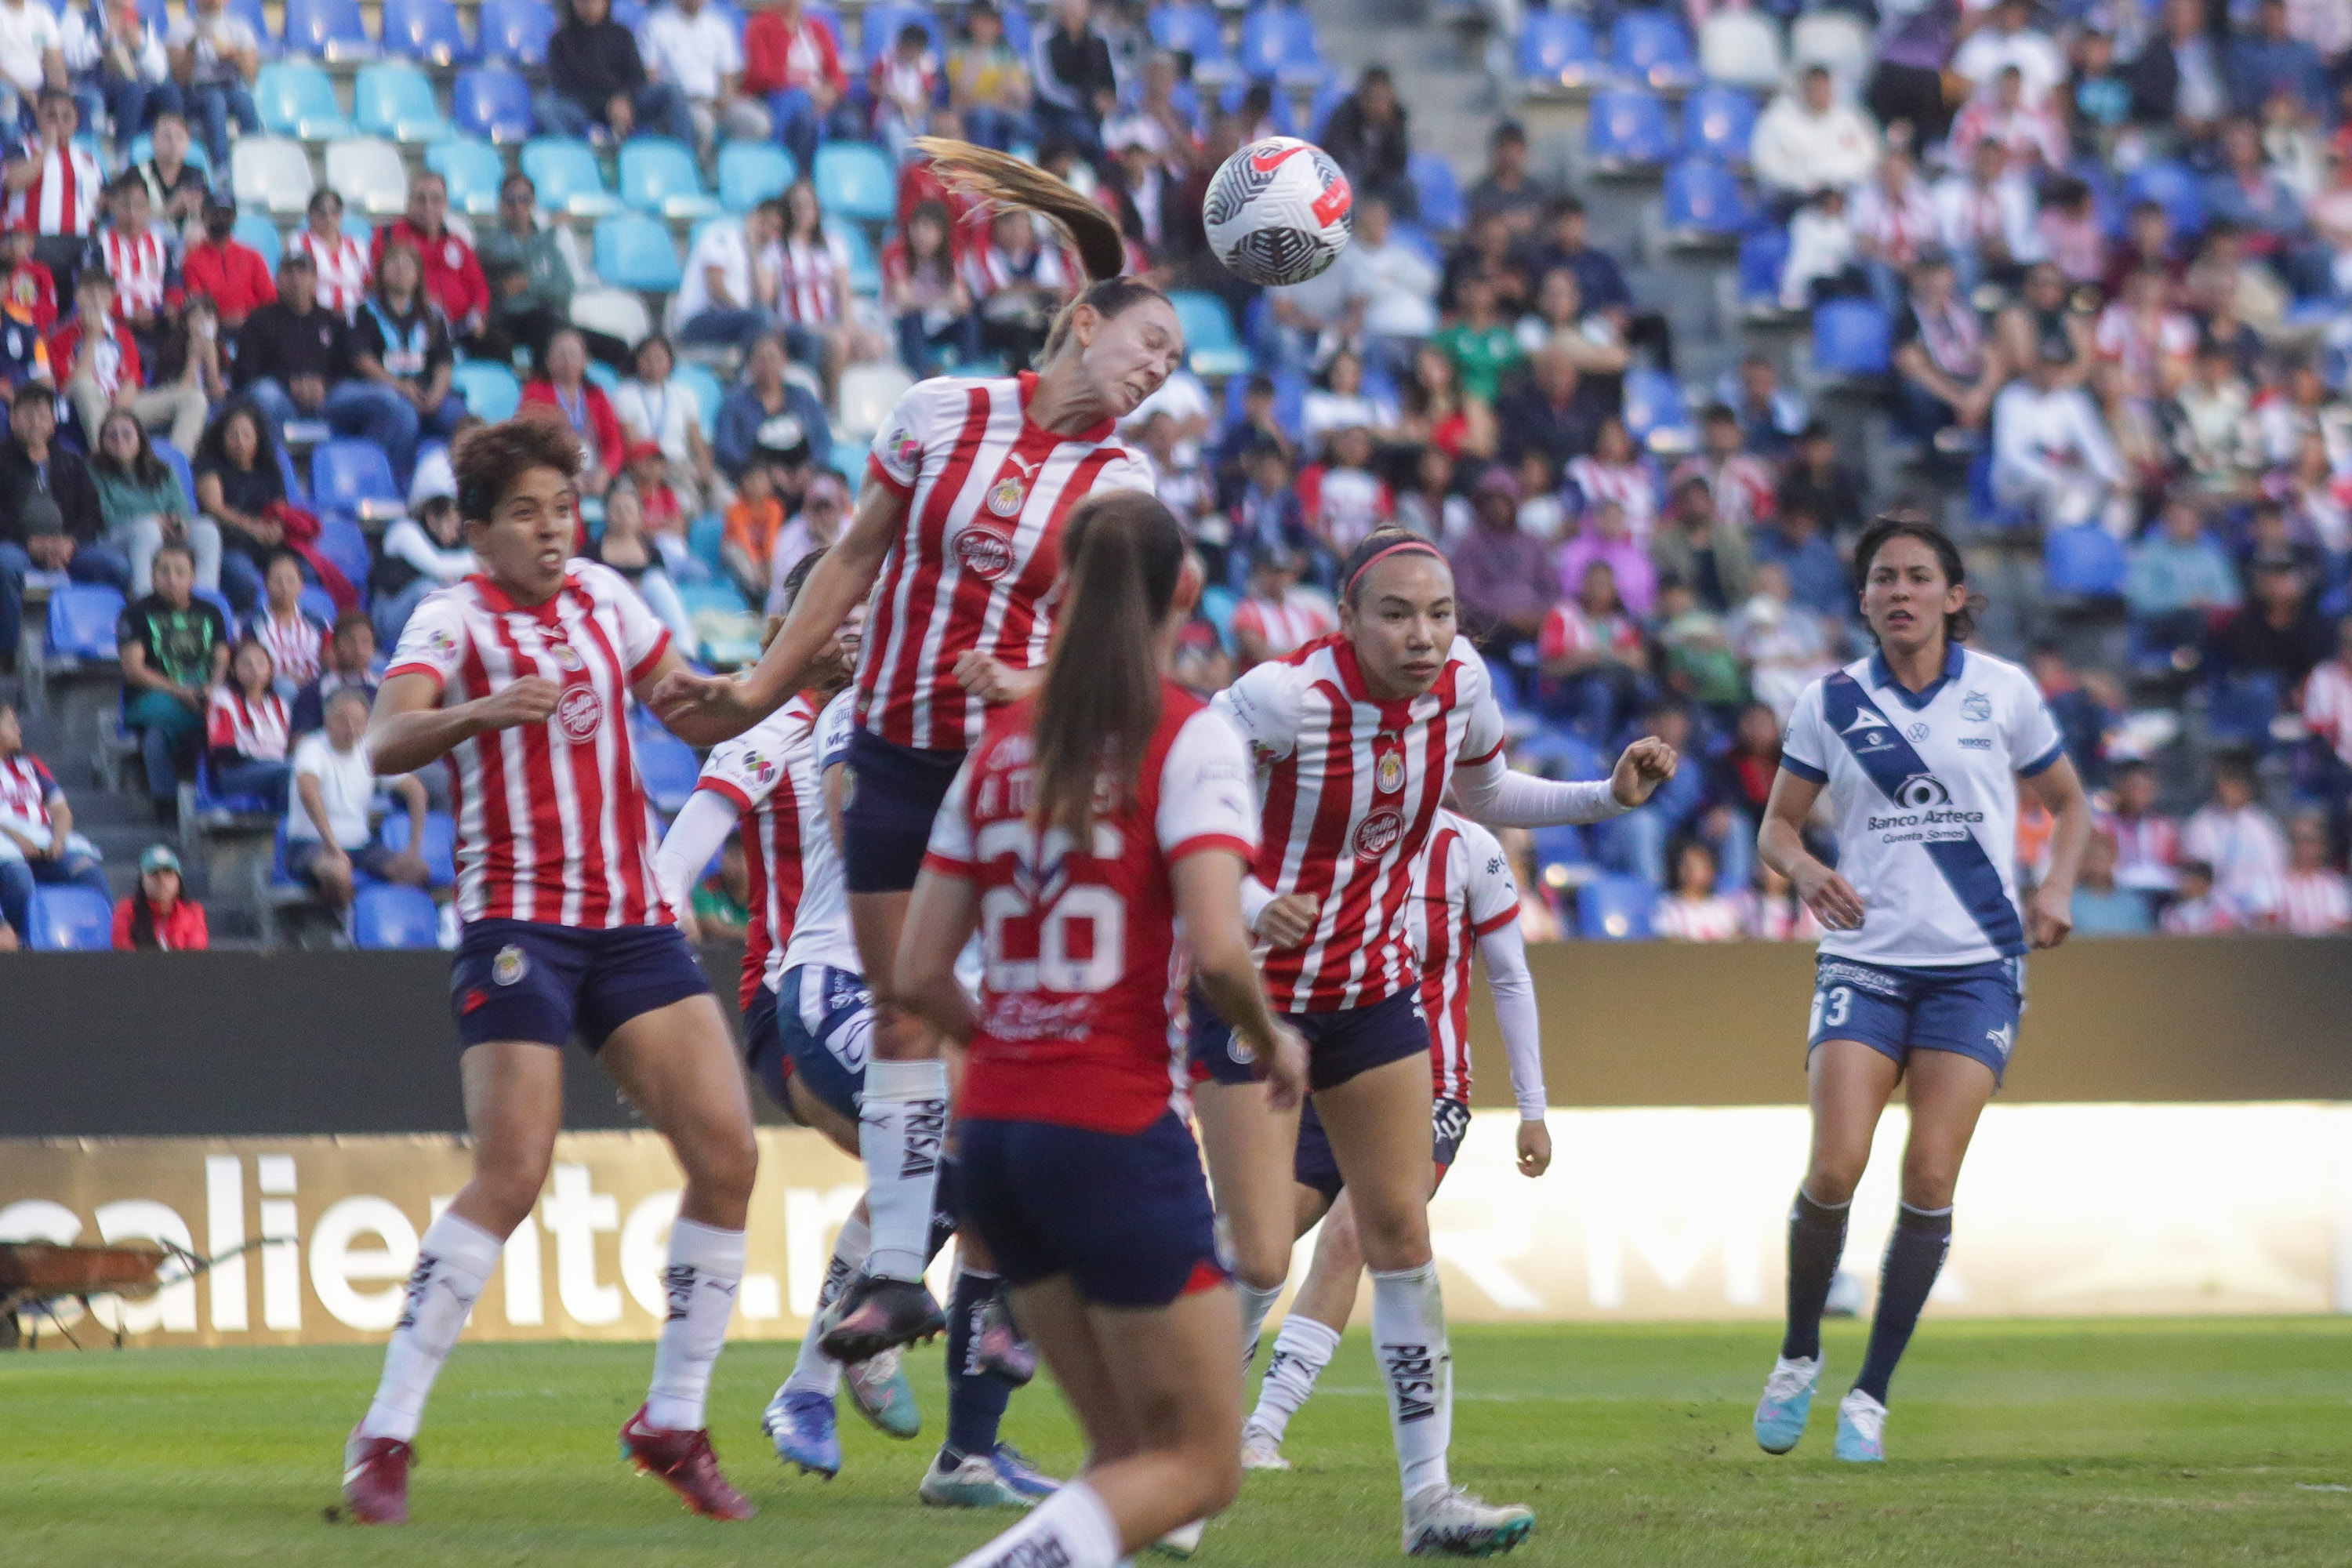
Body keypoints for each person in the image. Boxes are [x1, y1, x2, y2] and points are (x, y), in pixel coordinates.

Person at [654, 140, 1183, 1375]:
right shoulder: (939, 411)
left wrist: (1033, 683)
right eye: (1148, 346)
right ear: (1081, 321)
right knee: (909, 1014)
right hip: (891, 756)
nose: (1158, 373)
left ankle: (1007, 1288)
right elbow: (849, 563)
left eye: (1172, 365)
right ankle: (900, 1277)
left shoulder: (1123, 480)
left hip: (1010, 780)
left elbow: (1119, 650)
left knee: (1006, 1022)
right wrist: (750, 696)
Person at [1185, 529, 1675, 1555]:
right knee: (1263, 1250)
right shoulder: (1283, 699)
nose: (1422, 635)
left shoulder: (1464, 688)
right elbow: (1184, 806)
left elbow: (1486, 796)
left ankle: (1429, 1500)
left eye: (1440, 613)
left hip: (1372, 993)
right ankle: (1183, 1465)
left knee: (1398, 1235)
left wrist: (1603, 798)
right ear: (1347, 619)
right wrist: (1259, 895)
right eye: (1397, 614)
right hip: (1256, 997)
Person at [341, 417, 767, 1526]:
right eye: (525, 513)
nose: (550, 530)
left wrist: (787, 675)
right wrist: (480, 710)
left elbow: (690, 705)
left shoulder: (605, 601)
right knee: (514, 1172)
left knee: (728, 1155)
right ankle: (384, 1434)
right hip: (517, 923)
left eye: (563, 509)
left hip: (630, 924)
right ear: (474, 531)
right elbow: (382, 744)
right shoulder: (454, 616)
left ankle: (673, 1420)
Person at [891, 488, 1305, 1568]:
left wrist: (1017, 1047)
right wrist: (1274, 1036)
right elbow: (1219, 951)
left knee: (1124, 1457)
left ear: (1060, 590)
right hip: (1115, 1128)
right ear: (1186, 591)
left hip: (995, 1140)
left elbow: (921, 971)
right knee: (1203, 1466)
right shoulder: (1187, 737)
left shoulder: (997, 752)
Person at [1753, 515, 2090, 1465]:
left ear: (1954, 595)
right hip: (1866, 960)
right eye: (1882, 578)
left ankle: (1872, 1392)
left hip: (1978, 966)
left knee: (1931, 1176)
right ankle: (1798, 1350)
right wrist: (1806, 868)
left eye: (1917, 576)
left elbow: (2071, 803)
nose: (1899, 591)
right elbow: (1775, 828)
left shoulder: (2004, 693)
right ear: (1862, 600)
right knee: (1835, 1166)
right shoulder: (1831, 701)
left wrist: (2058, 885)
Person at [1237, 806, 1550, 1473]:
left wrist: (1533, 1107)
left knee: (1357, 1231)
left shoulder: (1472, 851)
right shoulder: (1336, 833)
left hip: (1430, 1086)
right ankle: (1206, 1412)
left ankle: (1263, 1427)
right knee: (1254, 1242)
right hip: (1329, 1077)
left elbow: (1510, 977)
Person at [0, 392, 126, 663]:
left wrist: (70, 543)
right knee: (5, 564)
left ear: (53, 423)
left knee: (118, 567)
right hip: (18, 546)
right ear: (12, 420)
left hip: (68, 549)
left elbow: (93, 515)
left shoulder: (71, 461)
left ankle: (122, 649)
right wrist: (30, 543)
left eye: (43, 415)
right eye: (27, 415)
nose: (35, 422)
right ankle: (9, 656)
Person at [285, 684, 427, 915]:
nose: (350, 727)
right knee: (337, 872)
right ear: (327, 721)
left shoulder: (369, 750)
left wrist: (414, 848)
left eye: (358, 720)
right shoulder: (312, 748)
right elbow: (309, 792)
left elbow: (416, 791)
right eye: (342, 720)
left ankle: (386, 929)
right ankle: (343, 932)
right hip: (310, 844)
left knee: (415, 871)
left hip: (360, 845)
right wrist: (332, 845)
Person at [115, 539, 229, 820]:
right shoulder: (135, 614)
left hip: (203, 694)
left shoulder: (211, 613)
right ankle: (166, 806)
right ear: (152, 576)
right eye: (163, 572)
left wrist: (212, 687)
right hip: (154, 697)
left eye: (180, 572)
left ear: (193, 576)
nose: (171, 579)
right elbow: (134, 669)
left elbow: (222, 657)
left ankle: (217, 793)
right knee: (156, 736)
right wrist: (182, 693)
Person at [53, 267, 207, 456]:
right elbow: (70, 385)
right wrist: (92, 337)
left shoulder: (122, 334)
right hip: (84, 406)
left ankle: (175, 462)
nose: (95, 299)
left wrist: (120, 408)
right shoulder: (60, 336)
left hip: (122, 404)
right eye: (89, 292)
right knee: (84, 385)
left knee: (194, 398)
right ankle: (105, 458)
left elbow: (132, 379)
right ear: (77, 296)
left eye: (102, 294)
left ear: (111, 301)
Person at [353, 241, 465, 488]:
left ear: (418, 275)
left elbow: (444, 362)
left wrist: (436, 394)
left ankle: (462, 485)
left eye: (408, 265)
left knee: (459, 416)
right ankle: (396, 485)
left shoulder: (433, 314)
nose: (401, 270)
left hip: (427, 391)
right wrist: (400, 387)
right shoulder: (365, 311)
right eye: (394, 264)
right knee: (404, 415)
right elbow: (362, 359)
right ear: (381, 272)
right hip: (386, 391)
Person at [0, 695, 112, 940]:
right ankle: (27, 948)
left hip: (44, 841)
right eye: (10, 724)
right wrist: (16, 837)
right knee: (19, 878)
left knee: (88, 872)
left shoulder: (31, 764)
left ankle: (107, 946)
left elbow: (60, 809)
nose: (18, 729)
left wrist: (59, 839)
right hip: (6, 849)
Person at [91, 405, 212, 597]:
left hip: (163, 533)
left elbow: (183, 510)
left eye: (126, 434)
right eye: (111, 436)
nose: (119, 440)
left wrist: (179, 524)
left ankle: (203, 599)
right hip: (114, 537)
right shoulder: (94, 472)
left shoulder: (164, 470)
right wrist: (155, 520)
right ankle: (144, 599)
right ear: (102, 441)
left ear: (140, 438)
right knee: (147, 529)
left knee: (206, 530)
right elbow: (106, 518)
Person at [540, 0, 695, 145]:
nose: (588, 4)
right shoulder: (560, 41)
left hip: (628, 106)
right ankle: (574, 157)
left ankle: (685, 157)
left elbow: (637, 78)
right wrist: (607, 105)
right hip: (585, 110)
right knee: (545, 106)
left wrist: (623, 100)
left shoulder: (622, 34)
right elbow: (565, 87)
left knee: (671, 91)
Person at [368, 174, 490, 350]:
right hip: (413, 325)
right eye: (420, 199)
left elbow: (478, 285)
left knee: (499, 343)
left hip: (461, 328)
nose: (428, 207)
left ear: (446, 203)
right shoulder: (388, 236)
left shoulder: (456, 242)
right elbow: (382, 281)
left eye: (436, 200)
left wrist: (479, 315)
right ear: (408, 202)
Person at [191, 399, 289, 614]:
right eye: (233, 435)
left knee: (303, 573)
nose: (240, 441)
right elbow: (214, 508)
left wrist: (275, 529)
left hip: (266, 543)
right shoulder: (209, 465)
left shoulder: (270, 468)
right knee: (247, 580)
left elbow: (281, 509)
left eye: (246, 435)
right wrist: (252, 527)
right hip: (230, 543)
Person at [4, 90, 102, 291]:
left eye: (66, 117)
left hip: (77, 242)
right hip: (33, 242)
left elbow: (95, 203)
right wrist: (47, 148)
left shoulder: (88, 159)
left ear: (76, 121)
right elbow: (13, 182)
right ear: (38, 117)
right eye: (51, 116)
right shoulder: (22, 149)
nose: (59, 122)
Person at [613, 334, 719, 518]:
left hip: (679, 464)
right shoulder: (625, 394)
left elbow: (695, 439)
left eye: (660, 359)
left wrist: (703, 466)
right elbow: (631, 442)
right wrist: (653, 468)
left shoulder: (684, 395)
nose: (654, 365)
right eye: (647, 359)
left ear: (670, 362)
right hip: (643, 467)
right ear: (638, 361)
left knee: (722, 500)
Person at [643, 0, 770, 150]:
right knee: (703, 123)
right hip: (679, 105)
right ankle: (697, 169)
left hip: (715, 103)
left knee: (757, 122)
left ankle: (726, 166)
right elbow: (650, 77)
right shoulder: (656, 25)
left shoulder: (718, 26)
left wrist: (725, 100)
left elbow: (728, 77)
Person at [740, 0, 851, 171]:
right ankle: (802, 180)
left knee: (849, 123)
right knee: (806, 117)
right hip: (779, 97)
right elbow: (760, 74)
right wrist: (807, 90)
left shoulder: (818, 28)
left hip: (822, 100)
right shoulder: (760, 26)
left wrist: (832, 92)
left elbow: (837, 74)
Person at [1752, 63, 1881, 203]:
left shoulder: (1848, 118)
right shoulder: (1778, 120)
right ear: (1803, 91)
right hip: (1797, 200)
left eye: (1825, 89)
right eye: (1816, 90)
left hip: (1847, 197)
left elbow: (1869, 156)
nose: (1822, 95)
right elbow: (1768, 168)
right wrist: (1808, 182)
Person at [713, 329, 832, 480]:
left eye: (773, 359)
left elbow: (823, 439)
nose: (768, 365)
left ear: (784, 361)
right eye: (762, 359)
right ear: (750, 364)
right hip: (755, 481)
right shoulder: (734, 403)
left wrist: (809, 468)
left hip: (804, 479)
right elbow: (726, 448)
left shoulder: (802, 398)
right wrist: (762, 472)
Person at [521, 328, 624, 497]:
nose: (568, 361)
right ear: (548, 361)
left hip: (595, 476)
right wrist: (565, 475)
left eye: (574, 354)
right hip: (553, 474)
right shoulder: (535, 391)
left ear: (585, 360)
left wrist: (605, 473)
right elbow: (531, 441)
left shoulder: (596, 394)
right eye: (562, 355)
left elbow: (614, 443)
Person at [372, 476, 473, 648]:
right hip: (389, 613)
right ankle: (441, 646)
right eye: (450, 524)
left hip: (420, 617)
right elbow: (438, 567)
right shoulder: (404, 531)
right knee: (427, 588)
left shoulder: (451, 543)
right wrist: (478, 559)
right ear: (432, 518)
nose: (455, 533)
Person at [677, 197, 785, 354]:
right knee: (759, 319)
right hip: (700, 318)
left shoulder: (767, 253)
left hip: (741, 320)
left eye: (775, 229)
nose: (768, 232)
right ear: (754, 217)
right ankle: (750, 374)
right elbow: (716, 289)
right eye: (766, 223)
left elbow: (764, 300)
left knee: (801, 338)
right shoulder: (721, 236)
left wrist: (753, 252)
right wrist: (744, 313)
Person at [165, 0, 258, 165]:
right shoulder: (182, 28)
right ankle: (219, 164)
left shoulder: (239, 28)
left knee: (245, 101)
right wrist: (192, 48)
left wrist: (234, 55)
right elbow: (179, 78)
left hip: (229, 86)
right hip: (195, 90)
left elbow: (251, 76)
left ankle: (254, 158)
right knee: (215, 101)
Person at [206, 633, 292, 808]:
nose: (254, 669)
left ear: (270, 668)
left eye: (261, 663)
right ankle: (288, 829)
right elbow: (223, 750)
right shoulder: (223, 700)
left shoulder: (279, 704)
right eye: (246, 664)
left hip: (276, 767)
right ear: (233, 670)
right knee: (291, 772)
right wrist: (264, 761)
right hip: (237, 773)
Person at [1320, 64, 1414, 222]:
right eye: (1376, 98)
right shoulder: (1344, 115)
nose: (1381, 104)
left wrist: (1389, 128)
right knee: (1348, 188)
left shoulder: (1396, 119)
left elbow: (1399, 162)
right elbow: (1334, 155)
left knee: (1408, 188)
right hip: (1350, 175)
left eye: (1385, 98)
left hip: (1380, 178)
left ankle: (1405, 235)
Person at [1230, 545, 1336, 672]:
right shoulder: (1247, 611)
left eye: (1283, 572)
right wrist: (1307, 651)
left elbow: (1327, 644)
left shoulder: (1305, 611)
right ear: (1260, 572)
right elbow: (1261, 654)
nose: (1278, 579)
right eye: (1272, 572)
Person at [1028, 0, 1116, 154]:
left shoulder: (1098, 37)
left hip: (1097, 111)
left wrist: (1109, 99)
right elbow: (1046, 86)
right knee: (1087, 137)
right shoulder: (1043, 35)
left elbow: (1111, 77)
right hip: (1055, 111)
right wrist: (1086, 100)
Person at [180, 194, 274, 331]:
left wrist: (248, 316)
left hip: (253, 329)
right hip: (213, 333)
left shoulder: (253, 257)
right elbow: (197, 306)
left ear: (235, 218)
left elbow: (269, 300)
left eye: (226, 214)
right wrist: (223, 320)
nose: (221, 219)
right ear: (203, 217)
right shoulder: (192, 261)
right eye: (215, 214)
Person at [287, 187, 370, 320]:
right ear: (310, 214)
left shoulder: (357, 246)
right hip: (315, 318)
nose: (328, 218)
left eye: (334, 212)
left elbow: (368, 283)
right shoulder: (299, 243)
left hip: (354, 317)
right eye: (322, 212)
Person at [111, 841, 206, 949]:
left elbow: (196, 956)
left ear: (178, 880)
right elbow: (124, 954)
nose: (162, 880)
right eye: (154, 874)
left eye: (168, 873)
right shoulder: (126, 910)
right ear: (142, 881)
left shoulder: (193, 911)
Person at [136, 111, 208, 241]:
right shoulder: (137, 173)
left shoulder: (196, 174)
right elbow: (131, 217)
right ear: (153, 140)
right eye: (167, 137)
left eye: (179, 137)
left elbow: (207, 212)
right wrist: (170, 209)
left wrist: (196, 210)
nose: (174, 143)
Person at [2276, 811, 2349, 934]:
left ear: (2322, 845)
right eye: (2298, 840)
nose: (2304, 846)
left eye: (2310, 841)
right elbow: (2266, 926)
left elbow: (2342, 924)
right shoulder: (2272, 881)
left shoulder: (2334, 884)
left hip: (2326, 950)